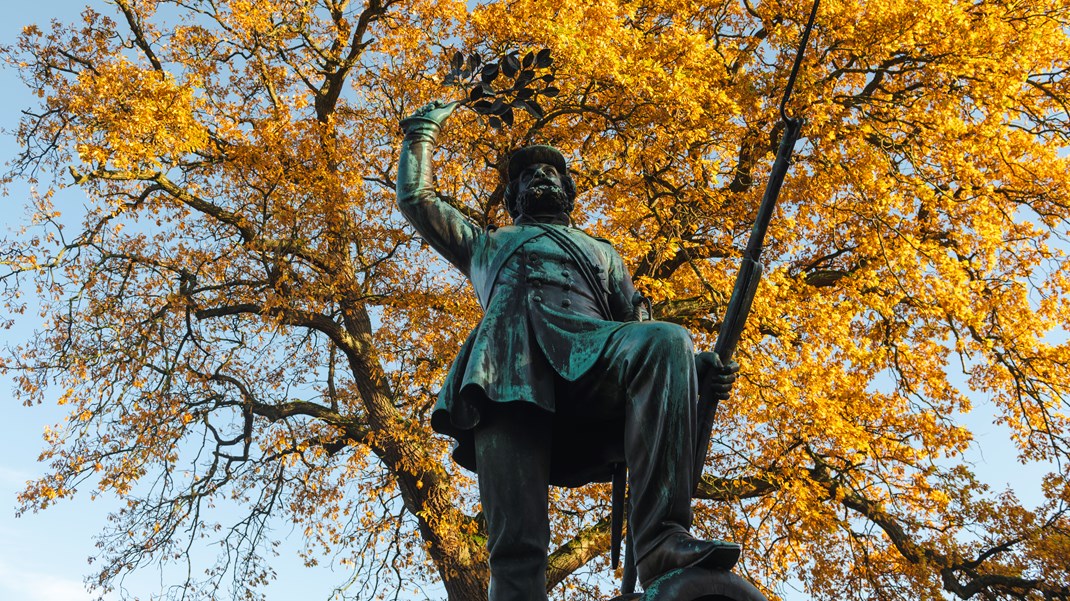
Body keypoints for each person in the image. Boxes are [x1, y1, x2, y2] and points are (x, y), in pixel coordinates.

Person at [396, 100, 740, 600]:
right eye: (528, 175)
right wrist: (422, 131)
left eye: (550, 172)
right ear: (513, 197)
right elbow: (417, 199)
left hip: (592, 358)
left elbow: (636, 328)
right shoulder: (487, 243)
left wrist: (689, 370)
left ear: (568, 191)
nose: (540, 177)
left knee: (668, 339)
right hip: (507, 375)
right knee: (516, 548)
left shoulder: (603, 252)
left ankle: (663, 543)